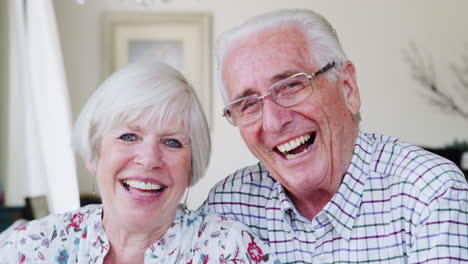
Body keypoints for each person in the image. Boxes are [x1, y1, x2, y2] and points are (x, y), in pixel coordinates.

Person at [202, 9, 468, 264]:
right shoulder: (228, 207)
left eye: (292, 85)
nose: (272, 123)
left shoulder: (431, 192)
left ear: (348, 88)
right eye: (248, 104)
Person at [0, 62, 281, 264]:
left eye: (172, 142)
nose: (148, 159)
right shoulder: (29, 247)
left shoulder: (228, 249)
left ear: (192, 164)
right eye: (128, 136)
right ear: (93, 153)